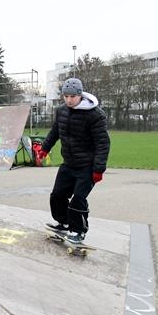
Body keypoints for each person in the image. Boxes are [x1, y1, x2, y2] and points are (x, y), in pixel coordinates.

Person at [38, 77, 110, 244]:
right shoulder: (61, 111)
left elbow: (103, 143)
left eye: (73, 97)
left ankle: (78, 231)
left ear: (80, 95)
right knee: (57, 195)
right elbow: (55, 131)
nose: (69, 100)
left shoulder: (95, 115)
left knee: (78, 199)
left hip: (87, 166)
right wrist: (44, 148)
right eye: (66, 96)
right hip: (68, 163)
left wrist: (99, 169)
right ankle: (64, 223)